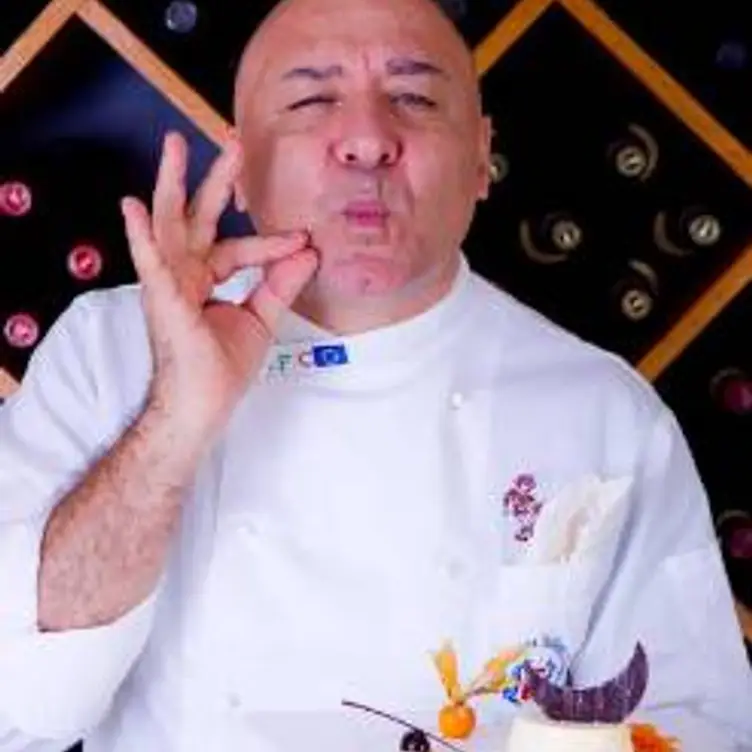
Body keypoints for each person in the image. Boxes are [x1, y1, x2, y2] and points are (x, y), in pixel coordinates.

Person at [0, 0, 751, 749]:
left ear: (481, 157)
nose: (366, 140)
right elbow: (19, 705)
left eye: (414, 98)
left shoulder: (606, 413)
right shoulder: (107, 351)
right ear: (240, 166)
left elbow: (698, 725)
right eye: (312, 99)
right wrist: (173, 422)